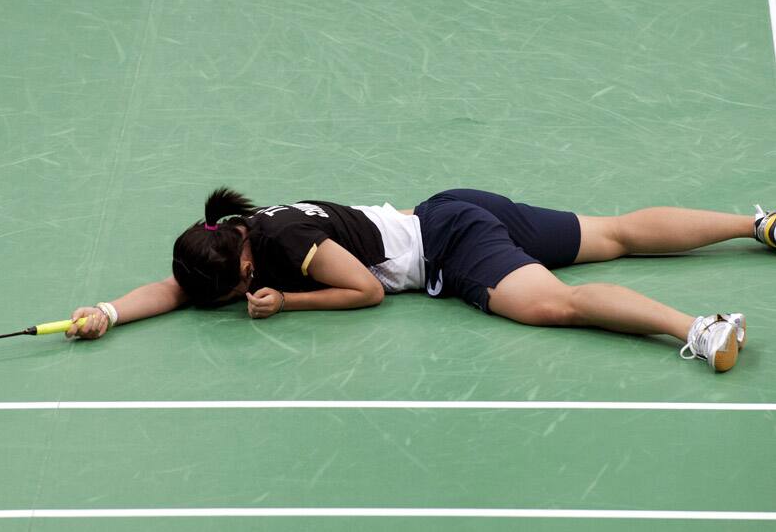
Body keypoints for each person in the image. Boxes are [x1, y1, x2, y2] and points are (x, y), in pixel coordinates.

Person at [67, 188, 776, 373]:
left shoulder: (293, 248)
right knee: (615, 231)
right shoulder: (232, 238)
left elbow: (368, 292)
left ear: (246, 268)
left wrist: (290, 302)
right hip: (453, 208)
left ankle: (698, 327)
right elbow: (177, 289)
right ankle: (759, 226)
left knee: (555, 305)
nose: (212, 304)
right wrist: (107, 311)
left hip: (449, 246)